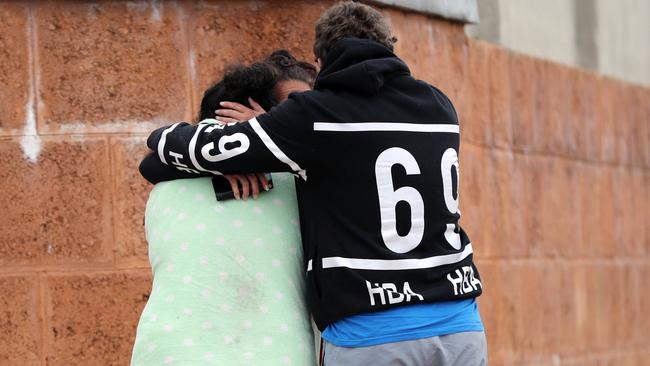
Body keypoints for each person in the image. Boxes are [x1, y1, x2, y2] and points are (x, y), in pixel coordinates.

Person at [140, 2, 486, 365]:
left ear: (321, 59)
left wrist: (261, 131)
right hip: (461, 323)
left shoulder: (314, 116)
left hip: (375, 333)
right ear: (389, 46)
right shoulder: (438, 104)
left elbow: (169, 151)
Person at [130, 51, 319, 366]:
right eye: (295, 106)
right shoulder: (300, 179)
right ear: (255, 110)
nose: (309, 116)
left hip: (166, 351)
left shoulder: (165, 180)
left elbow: (153, 158)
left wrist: (221, 157)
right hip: (273, 352)